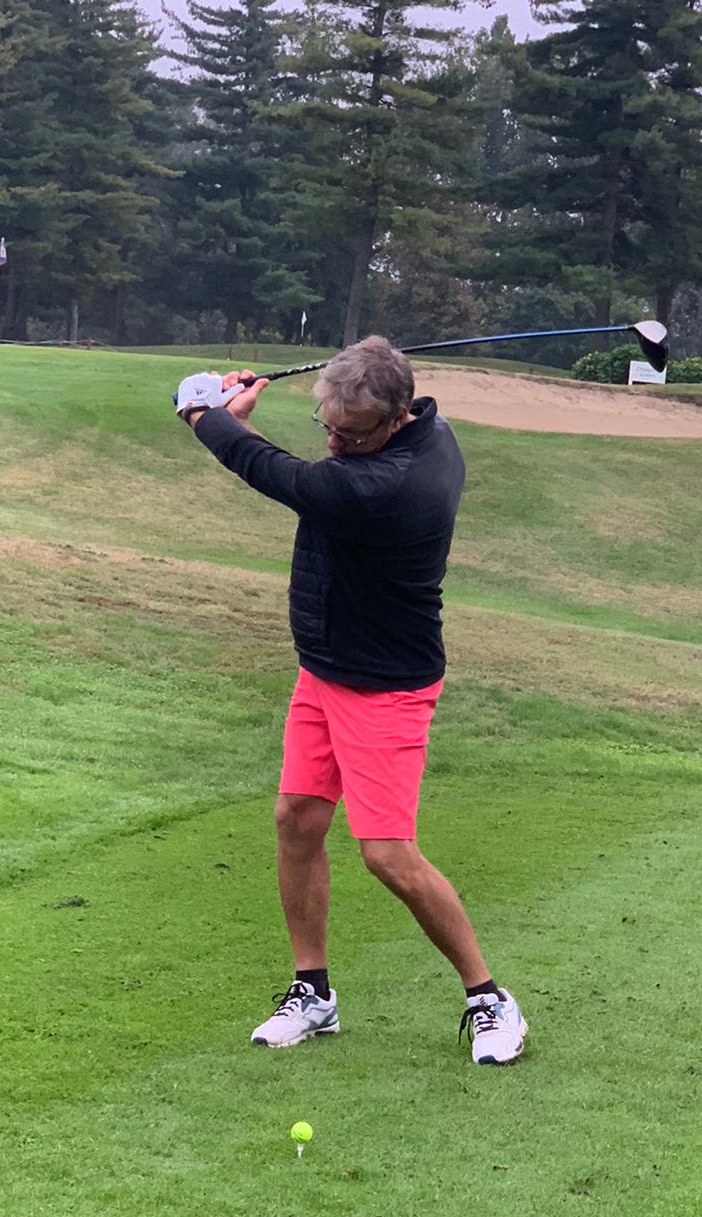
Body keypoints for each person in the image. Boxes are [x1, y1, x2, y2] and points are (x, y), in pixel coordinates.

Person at [174, 337, 527, 1065]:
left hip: (386, 685)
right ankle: (314, 993)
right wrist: (246, 409)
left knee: (388, 854)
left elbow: (276, 473)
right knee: (297, 820)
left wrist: (205, 412)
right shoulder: (420, 428)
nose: (335, 443)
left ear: (397, 418)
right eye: (327, 426)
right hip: (326, 668)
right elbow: (344, 413)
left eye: (352, 434)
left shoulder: (390, 486)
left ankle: (490, 999)